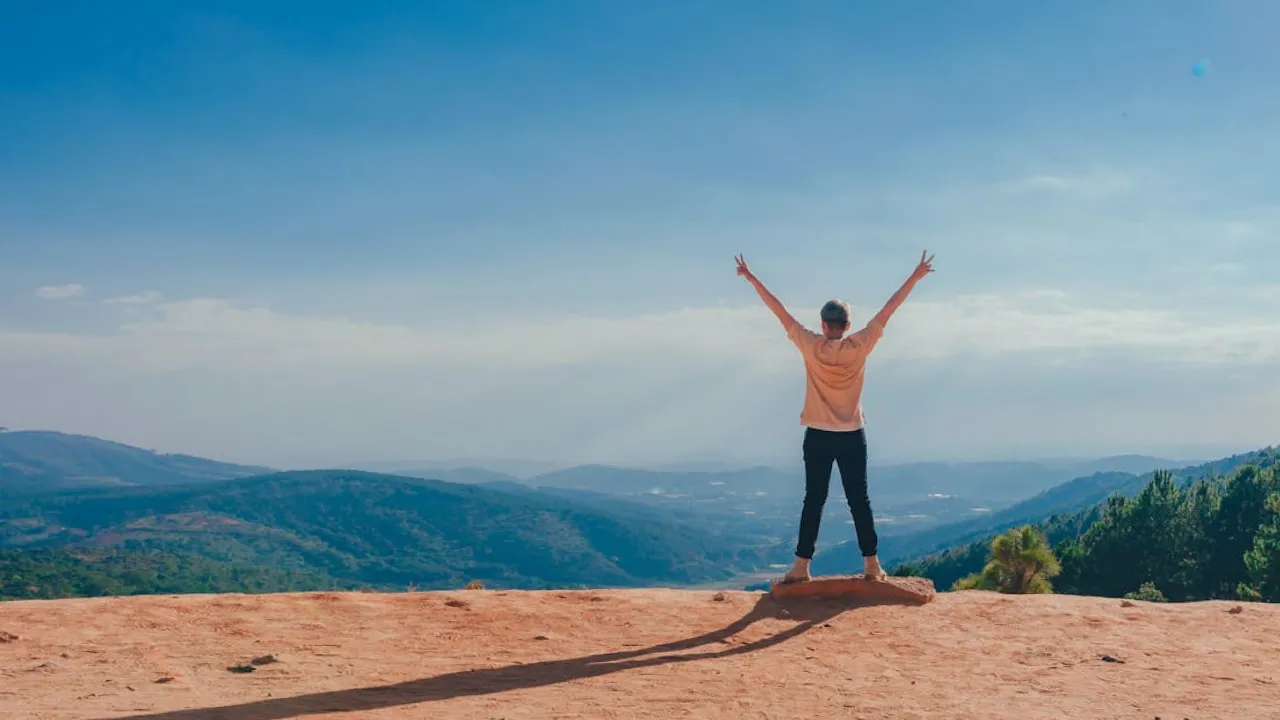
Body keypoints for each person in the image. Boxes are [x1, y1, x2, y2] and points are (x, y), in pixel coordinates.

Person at [735, 250, 935, 583]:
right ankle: (872, 565)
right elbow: (889, 310)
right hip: (852, 434)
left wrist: (752, 278)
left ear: (824, 325)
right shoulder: (861, 344)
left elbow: (779, 311)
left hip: (817, 434)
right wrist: (915, 276)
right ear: (847, 326)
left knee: (814, 499)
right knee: (860, 500)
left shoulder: (810, 345)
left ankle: (802, 566)